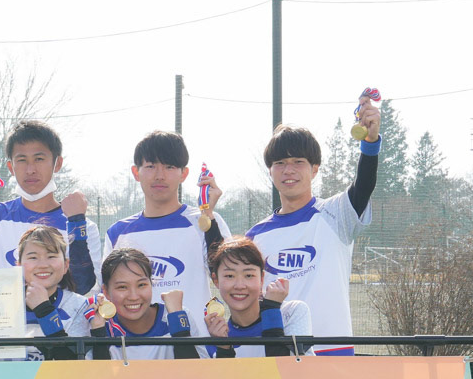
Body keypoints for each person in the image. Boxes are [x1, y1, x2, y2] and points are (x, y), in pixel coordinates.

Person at [246, 93, 383, 354]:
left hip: (333, 353)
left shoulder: (336, 214)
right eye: (280, 163)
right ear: (270, 171)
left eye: (298, 162)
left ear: (315, 169)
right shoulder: (255, 236)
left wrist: (370, 143)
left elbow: (364, 185)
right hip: (278, 357)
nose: (289, 170)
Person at [0, 120, 102, 294]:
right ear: (11, 167)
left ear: (57, 164)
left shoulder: (81, 226)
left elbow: (83, 286)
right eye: (22, 160)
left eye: (39, 159)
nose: (30, 169)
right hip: (5, 312)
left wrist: (76, 222)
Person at [104, 130, 226, 346]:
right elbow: (107, 295)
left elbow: (226, 277)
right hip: (136, 352)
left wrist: (208, 214)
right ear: (136, 172)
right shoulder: (118, 232)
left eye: (169, 167)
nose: (159, 175)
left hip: (196, 350)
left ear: (184, 174)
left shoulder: (203, 222)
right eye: (151, 166)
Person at [85, 246, 201, 361]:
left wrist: (179, 327)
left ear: (151, 283)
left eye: (141, 285)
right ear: (106, 291)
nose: (134, 296)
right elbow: (100, 373)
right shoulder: (100, 325)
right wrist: (98, 333)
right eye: (122, 287)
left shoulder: (177, 315)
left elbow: (197, 371)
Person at [204, 236, 312, 358]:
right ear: (216, 280)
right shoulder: (215, 337)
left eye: (249, 275)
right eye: (229, 276)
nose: (240, 286)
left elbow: (292, 367)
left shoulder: (292, 312)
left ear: (262, 278)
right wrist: (223, 348)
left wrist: (271, 309)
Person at [14, 225, 91, 360]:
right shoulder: (3, 303)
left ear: (66, 265)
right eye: (33, 257)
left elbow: (75, 366)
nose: (43, 265)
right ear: (19, 265)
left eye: (51, 256)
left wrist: (44, 310)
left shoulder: (80, 306)